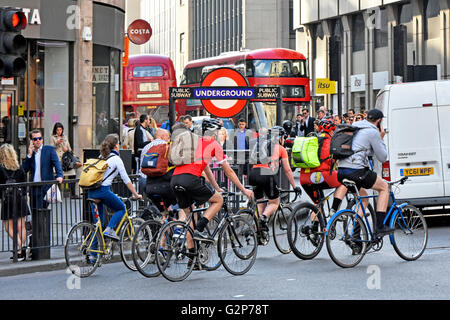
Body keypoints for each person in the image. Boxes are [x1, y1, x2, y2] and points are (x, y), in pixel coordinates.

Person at [170, 118, 254, 245]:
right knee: (218, 200)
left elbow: (207, 170)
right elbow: (229, 171)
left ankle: (192, 258)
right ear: (214, 132)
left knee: (190, 219)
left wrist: (217, 188)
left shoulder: (195, 142)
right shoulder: (214, 145)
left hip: (175, 179)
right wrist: (243, 190)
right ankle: (201, 228)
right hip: (190, 179)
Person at [337, 109, 392, 239]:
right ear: (379, 121)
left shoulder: (356, 126)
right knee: (384, 187)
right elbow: (383, 157)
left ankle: (355, 235)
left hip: (341, 171)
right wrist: (381, 137)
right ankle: (379, 226)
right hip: (356, 171)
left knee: (364, 198)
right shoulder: (373, 132)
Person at [88, 134, 142, 242]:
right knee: (121, 208)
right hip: (103, 191)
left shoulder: (101, 157)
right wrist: (136, 194)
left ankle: (93, 256)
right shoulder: (116, 159)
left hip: (91, 192)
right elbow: (126, 180)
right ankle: (110, 229)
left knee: (99, 225)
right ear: (116, 146)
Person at [248, 126, 301, 233]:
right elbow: (287, 170)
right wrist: (295, 187)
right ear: (280, 138)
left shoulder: (259, 145)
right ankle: (263, 218)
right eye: (283, 139)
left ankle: (256, 231)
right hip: (267, 174)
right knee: (274, 203)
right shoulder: (280, 148)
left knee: (260, 202)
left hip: (253, 173)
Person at [299, 119, 348, 218]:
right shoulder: (331, 142)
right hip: (320, 176)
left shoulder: (313, 139)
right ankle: (334, 210)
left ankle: (314, 229)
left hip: (304, 178)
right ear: (331, 131)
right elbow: (331, 161)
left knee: (318, 204)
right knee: (344, 182)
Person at [140, 129, 178, 217]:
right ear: (162, 136)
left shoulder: (147, 147)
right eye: (168, 137)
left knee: (163, 208)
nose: (169, 140)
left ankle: (161, 222)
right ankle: (176, 226)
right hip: (162, 183)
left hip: (146, 181)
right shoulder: (166, 146)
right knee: (180, 202)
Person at [0, 144, 29, 261]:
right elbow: (24, 183)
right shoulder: (19, 167)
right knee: (21, 226)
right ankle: (21, 252)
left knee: (8, 227)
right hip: (20, 198)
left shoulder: (1, 168)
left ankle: (21, 247)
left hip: (8, 201)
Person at [23, 129, 63, 210]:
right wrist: (29, 155)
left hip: (44, 187)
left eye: (39, 138)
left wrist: (60, 176)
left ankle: (41, 223)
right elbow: (24, 169)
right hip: (33, 187)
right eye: (35, 139)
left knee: (41, 211)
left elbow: (57, 164)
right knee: (34, 211)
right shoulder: (31, 153)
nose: (38, 141)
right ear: (32, 141)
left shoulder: (49, 150)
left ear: (42, 139)